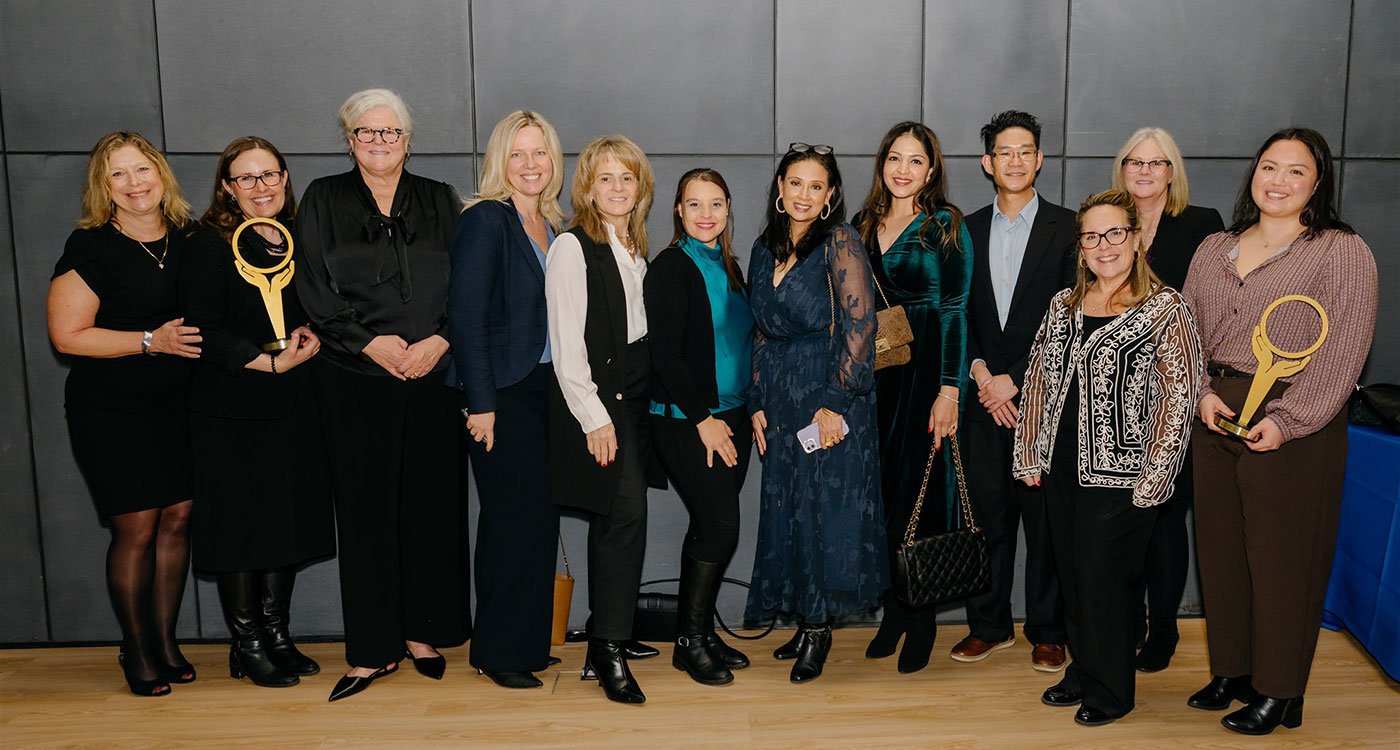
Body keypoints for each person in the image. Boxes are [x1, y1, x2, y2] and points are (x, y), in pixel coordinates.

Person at [1183, 127, 1377, 736]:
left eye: (1296, 171)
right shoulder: (1214, 248)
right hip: (1216, 409)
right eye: (1270, 166)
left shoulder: (1341, 252)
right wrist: (1201, 394)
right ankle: (1234, 672)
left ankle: (1279, 691)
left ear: (1318, 184)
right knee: (1221, 555)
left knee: (1281, 560)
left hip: (1294, 417)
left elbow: (1343, 353)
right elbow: (1183, 333)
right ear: (1253, 173)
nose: (1279, 180)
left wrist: (1288, 422)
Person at [294, 88, 469, 702]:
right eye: (365, 133)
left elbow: (467, 285)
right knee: (366, 514)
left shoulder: (441, 199)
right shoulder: (321, 198)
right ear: (349, 140)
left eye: (388, 133)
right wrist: (371, 345)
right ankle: (373, 649)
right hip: (354, 377)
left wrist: (440, 343)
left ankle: (423, 634)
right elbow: (310, 283)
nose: (377, 142)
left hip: (431, 377)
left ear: (407, 139)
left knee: (429, 509)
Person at [1014, 189, 1202, 727]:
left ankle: (1111, 690)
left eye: (1115, 233)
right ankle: (1085, 670)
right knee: (1072, 575)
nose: (1104, 246)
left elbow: (1178, 395)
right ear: (1081, 248)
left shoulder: (1166, 308)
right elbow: (1039, 381)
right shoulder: (1065, 305)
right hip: (1061, 467)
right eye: (1092, 236)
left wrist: (1157, 476)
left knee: (1103, 581)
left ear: (1137, 239)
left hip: (1124, 475)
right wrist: (1030, 450)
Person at [46, 131, 200, 696]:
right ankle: (135, 647)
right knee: (136, 526)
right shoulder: (91, 247)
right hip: (111, 409)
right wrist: (147, 341)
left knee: (179, 518)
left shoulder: (189, 239)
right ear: (103, 187)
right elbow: (66, 336)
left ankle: (163, 639)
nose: (135, 184)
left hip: (179, 406)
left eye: (142, 170)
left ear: (161, 174)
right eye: (119, 174)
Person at [181, 136, 335, 688]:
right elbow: (203, 330)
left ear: (286, 178)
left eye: (269, 175)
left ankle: (276, 634)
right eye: (246, 178)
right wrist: (264, 363)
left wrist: (307, 335)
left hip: (293, 404)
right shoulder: (206, 244)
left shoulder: (298, 239)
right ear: (227, 186)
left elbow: (317, 308)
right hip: (232, 406)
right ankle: (246, 643)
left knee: (282, 523)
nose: (260, 187)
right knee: (242, 528)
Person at [746, 143, 885, 684]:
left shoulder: (841, 241)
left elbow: (861, 328)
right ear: (779, 188)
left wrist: (836, 402)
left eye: (816, 186)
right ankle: (805, 617)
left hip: (831, 396)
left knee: (827, 509)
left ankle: (819, 630)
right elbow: (760, 330)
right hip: (781, 400)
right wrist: (756, 401)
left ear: (830, 196)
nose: (803, 195)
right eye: (794, 183)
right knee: (791, 509)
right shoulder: (763, 248)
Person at [447, 111, 564, 690]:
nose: (530, 164)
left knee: (537, 522)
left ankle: (528, 644)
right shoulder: (485, 220)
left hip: (546, 392)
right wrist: (481, 402)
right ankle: (500, 652)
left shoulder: (554, 226)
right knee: (513, 522)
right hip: (501, 393)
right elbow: (464, 319)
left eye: (539, 152)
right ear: (500, 161)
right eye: (517, 154)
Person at [958, 111, 1075, 671]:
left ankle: (1049, 630)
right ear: (988, 163)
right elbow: (958, 316)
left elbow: (1075, 320)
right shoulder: (964, 229)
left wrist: (1021, 380)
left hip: (1047, 401)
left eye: (1025, 150)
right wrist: (982, 375)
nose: (1015, 161)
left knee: (1046, 520)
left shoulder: (1071, 228)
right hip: (983, 399)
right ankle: (988, 624)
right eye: (1004, 152)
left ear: (1040, 159)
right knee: (987, 517)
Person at [854, 122, 972, 674]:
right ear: (882, 164)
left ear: (931, 169)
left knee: (920, 493)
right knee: (881, 496)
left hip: (926, 373)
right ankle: (895, 612)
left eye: (916, 160)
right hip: (876, 375)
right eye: (894, 158)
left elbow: (954, 310)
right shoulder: (862, 223)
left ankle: (921, 619)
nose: (903, 169)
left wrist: (950, 389)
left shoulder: (944, 224)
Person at [1108, 127, 1224, 673]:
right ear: (1123, 168)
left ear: (1172, 171)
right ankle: (1125, 620)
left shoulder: (1201, 225)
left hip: (1174, 393)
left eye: (1157, 162)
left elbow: (1211, 310)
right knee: (1121, 514)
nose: (1146, 171)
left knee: (1166, 515)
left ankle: (1164, 629)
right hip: (1112, 395)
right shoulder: (1107, 219)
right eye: (1136, 161)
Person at [546, 134, 656, 705]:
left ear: (640, 188)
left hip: (635, 401)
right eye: (606, 178)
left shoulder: (632, 244)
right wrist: (595, 418)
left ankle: (607, 637)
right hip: (600, 403)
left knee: (619, 521)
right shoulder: (573, 246)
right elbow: (567, 346)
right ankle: (608, 648)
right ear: (586, 185)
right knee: (625, 514)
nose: (617, 188)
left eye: (628, 178)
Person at [645, 168, 755, 686]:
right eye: (694, 205)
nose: (706, 214)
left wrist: (751, 407)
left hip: (732, 416)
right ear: (678, 211)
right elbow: (665, 357)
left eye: (716, 204)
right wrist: (705, 420)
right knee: (719, 527)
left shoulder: (731, 267)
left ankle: (701, 634)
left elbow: (745, 345)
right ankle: (689, 644)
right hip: (690, 422)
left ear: (728, 208)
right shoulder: (669, 267)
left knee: (708, 527)